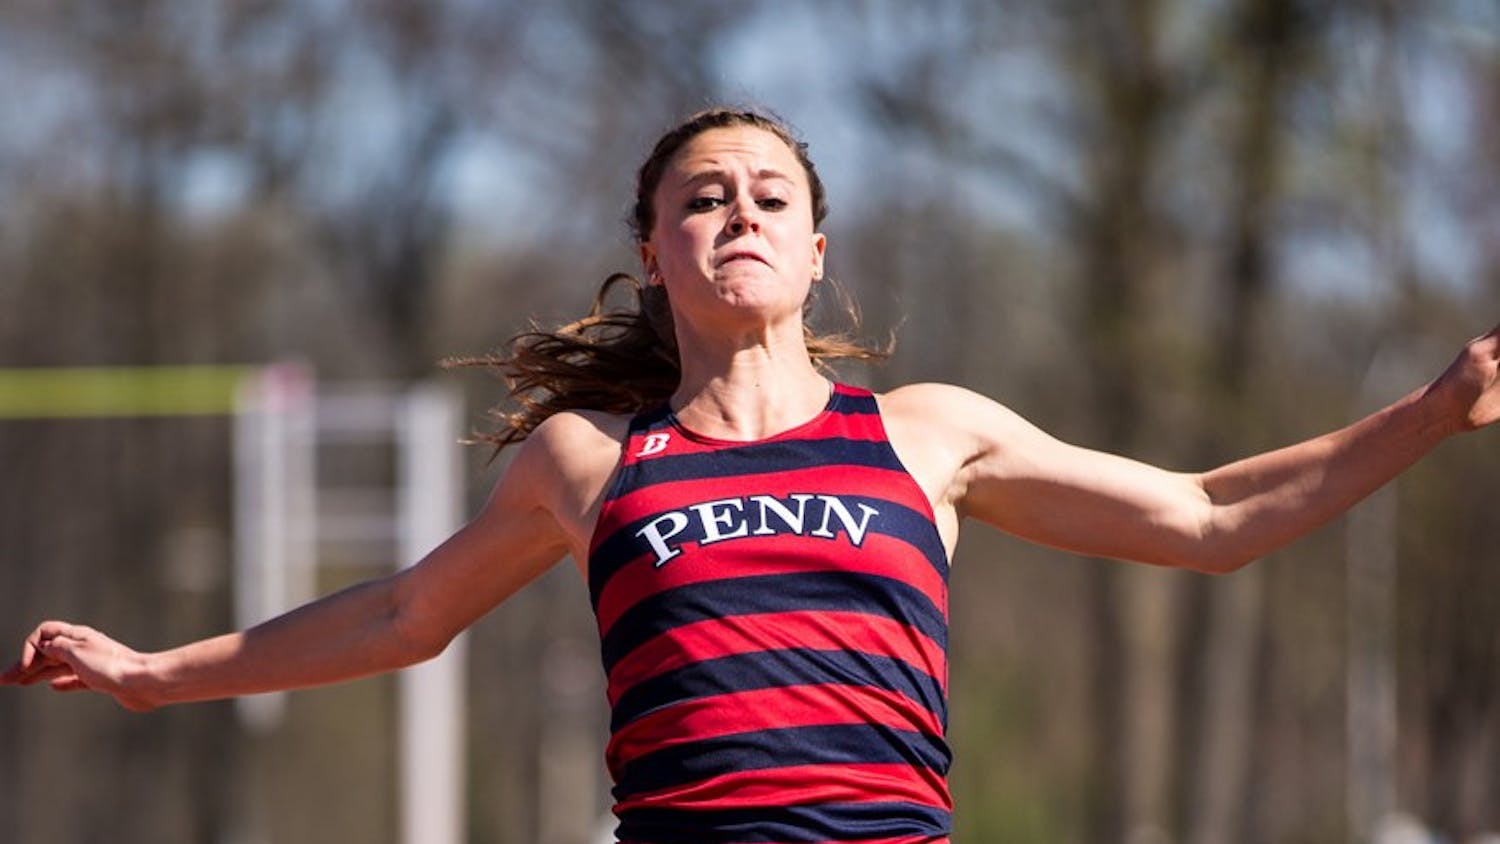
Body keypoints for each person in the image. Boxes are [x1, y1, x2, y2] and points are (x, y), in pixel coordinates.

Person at [4, 107, 1498, 844]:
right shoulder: (590, 462)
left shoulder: (927, 433)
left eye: (768, 193)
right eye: (700, 197)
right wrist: (154, 673)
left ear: (814, 248)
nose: (738, 212)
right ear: (656, 247)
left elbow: (1208, 518)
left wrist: (1429, 414)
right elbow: (401, 620)